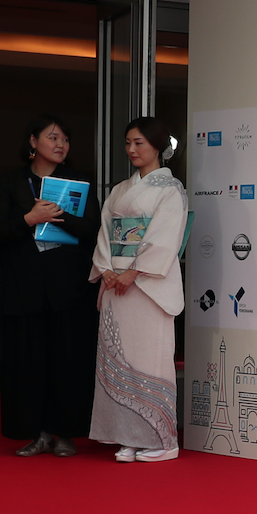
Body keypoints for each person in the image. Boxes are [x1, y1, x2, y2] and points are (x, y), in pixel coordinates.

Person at [0, 116, 100, 457]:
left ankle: (66, 432)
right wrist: (28, 220)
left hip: (69, 287)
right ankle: (36, 433)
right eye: (53, 137)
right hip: (23, 287)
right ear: (33, 142)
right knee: (28, 362)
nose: (61, 144)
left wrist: (61, 214)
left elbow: (93, 230)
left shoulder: (79, 181)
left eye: (65, 139)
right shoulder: (10, 182)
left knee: (67, 361)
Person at [88, 118, 187, 464]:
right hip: (116, 283)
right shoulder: (118, 190)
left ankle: (163, 439)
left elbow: (165, 237)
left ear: (157, 146)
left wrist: (133, 272)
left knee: (150, 358)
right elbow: (104, 233)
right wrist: (108, 271)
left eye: (139, 143)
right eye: (128, 143)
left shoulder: (170, 190)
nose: (131, 150)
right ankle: (127, 435)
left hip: (147, 287)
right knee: (120, 357)